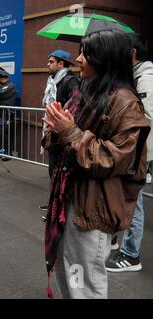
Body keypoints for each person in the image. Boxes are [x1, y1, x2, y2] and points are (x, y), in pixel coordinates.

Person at [42, 29, 150, 299]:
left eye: (86, 54)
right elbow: (57, 138)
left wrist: (70, 132)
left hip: (94, 207)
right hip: (69, 198)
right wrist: (56, 128)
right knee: (68, 272)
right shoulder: (85, 92)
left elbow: (114, 158)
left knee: (84, 282)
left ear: (105, 59)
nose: (78, 59)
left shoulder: (126, 103)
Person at [106, 33, 153, 272]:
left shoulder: (146, 79)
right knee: (123, 196)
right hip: (131, 152)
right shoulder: (134, 77)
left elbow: (147, 122)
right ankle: (115, 238)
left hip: (138, 153)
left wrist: (137, 157)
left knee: (134, 202)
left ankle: (131, 254)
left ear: (132, 53)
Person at [39, 50, 80, 214]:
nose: (48, 64)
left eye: (51, 62)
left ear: (61, 63)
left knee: (60, 173)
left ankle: (60, 209)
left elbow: (75, 108)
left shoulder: (71, 81)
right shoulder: (53, 81)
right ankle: (54, 205)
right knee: (53, 171)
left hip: (63, 135)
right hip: (53, 133)